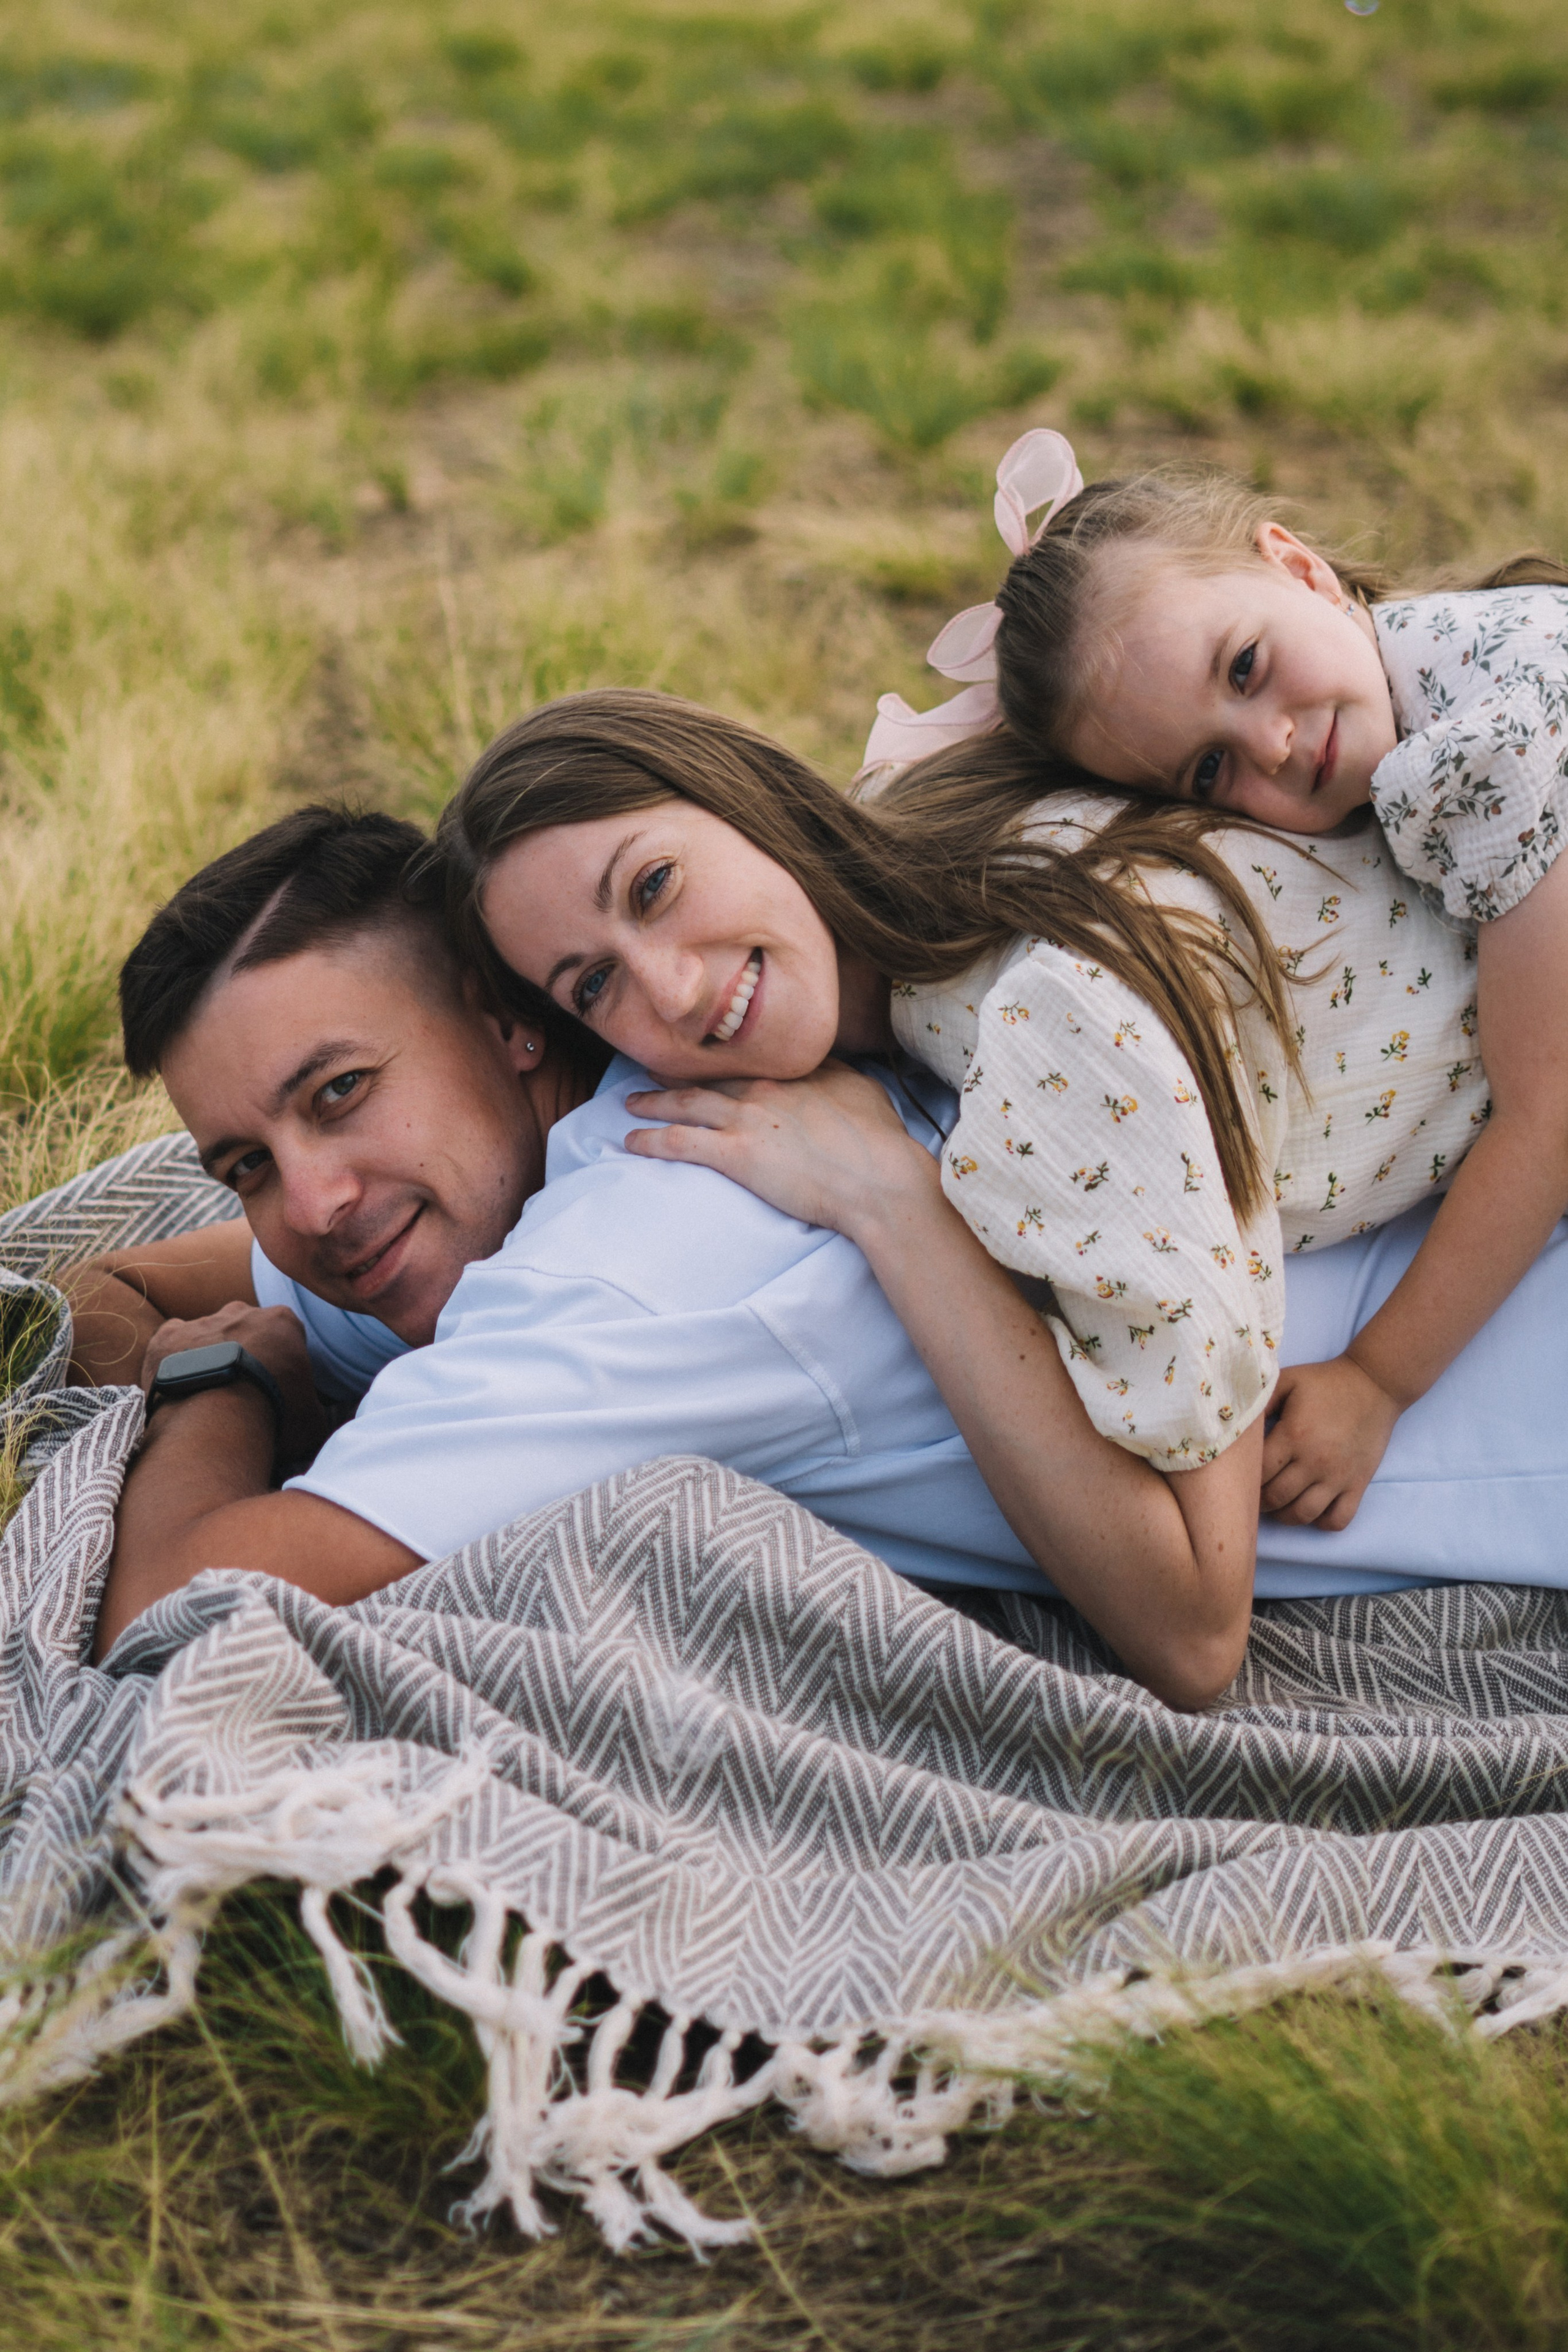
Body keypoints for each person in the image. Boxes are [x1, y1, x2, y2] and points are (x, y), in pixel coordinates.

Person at [78, 802, 1273, 1709]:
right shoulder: (566, 1129)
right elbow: (117, 1286)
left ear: (508, 1021)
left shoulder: (633, 1262)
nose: (314, 1206)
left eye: (340, 1093)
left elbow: (167, 1618)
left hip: (1410, 1497)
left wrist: (218, 1395)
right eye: (245, 1164)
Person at [432, 687, 1494, 1539]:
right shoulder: (934, 809)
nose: (670, 992)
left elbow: (1199, 1621)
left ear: (742, 795)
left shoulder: (1043, 1034)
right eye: (593, 988)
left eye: (656, 885)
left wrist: (890, 1199)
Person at [855, 431, 1568, 1532]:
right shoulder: (1408, 666)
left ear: (1297, 566)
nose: (1276, 746)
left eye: (1243, 667)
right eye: (1208, 770)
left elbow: (1550, 1111)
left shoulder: (1499, 747)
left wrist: (1379, 1381)